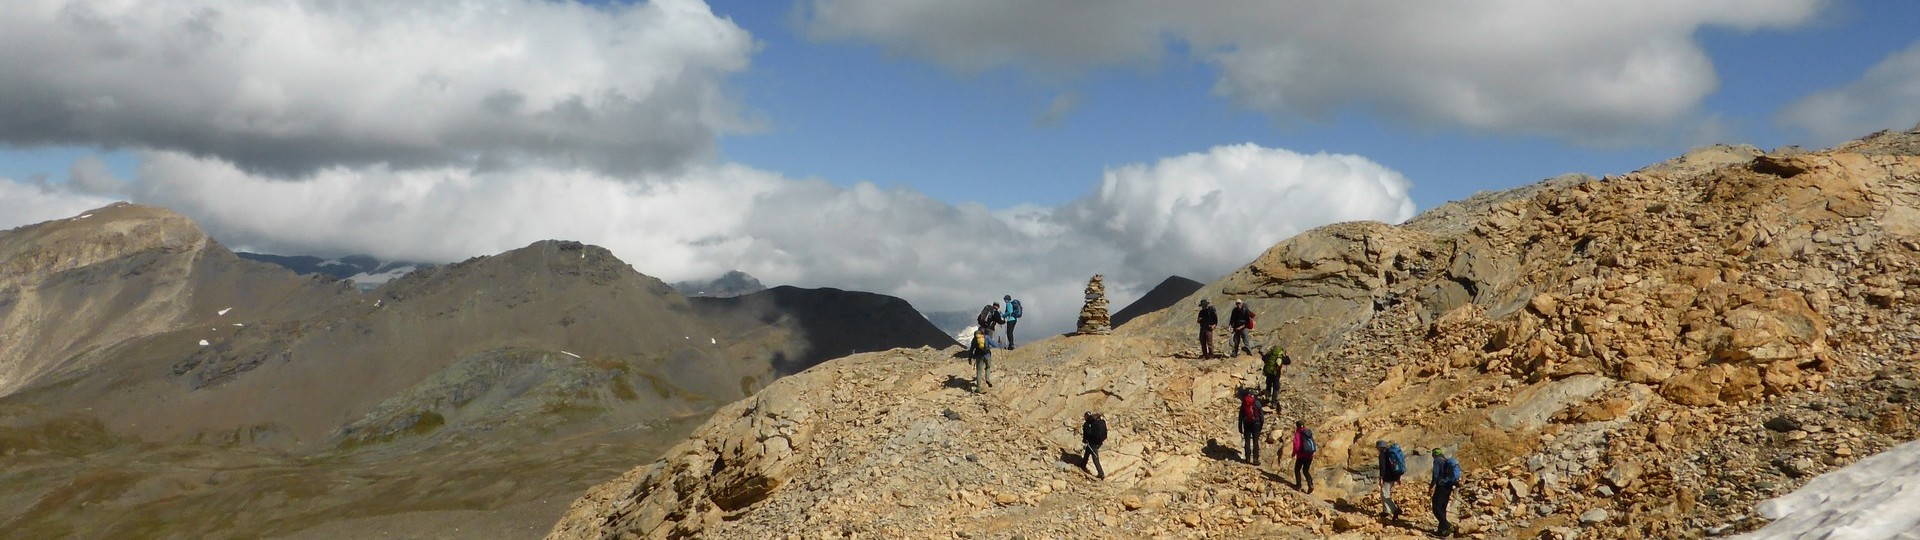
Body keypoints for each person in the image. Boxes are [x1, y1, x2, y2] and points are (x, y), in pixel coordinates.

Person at [1430, 448, 1461, 537]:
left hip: (1441, 486)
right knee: (1442, 507)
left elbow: (1435, 475)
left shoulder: (1437, 461)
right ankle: (1441, 531)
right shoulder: (1446, 460)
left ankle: (1448, 526)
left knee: (1436, 508)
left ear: (1434, 454)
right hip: (1449, 486)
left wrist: (1431, 486)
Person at [1377, 440, 1406, 520]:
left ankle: (1394, 510)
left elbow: (1382, 467)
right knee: (1385, 493)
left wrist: (1381, 478)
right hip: (1394, 476)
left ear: (1379, 447)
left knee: (1385, 494)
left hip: (1387, 478)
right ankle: (1386, 511)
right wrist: (1398, 477)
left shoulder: (1382, 455)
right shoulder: (1390, 454)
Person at [1237, 389, 1264, 465]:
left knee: (1247, 441)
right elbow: (1261, 416)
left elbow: (1241, 415)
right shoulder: (1257, 403)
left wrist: (1240, 427)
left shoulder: (1244, 403)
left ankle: (1247, 458)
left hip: (1246, 423)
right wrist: (1261, 426)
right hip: (1256, 423)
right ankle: (1255, 459)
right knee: (1255, 441)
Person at [1290, 420, 1316, 493]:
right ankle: (1310, 484)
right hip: (1310, 455)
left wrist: (1294, 453)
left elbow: (1296, 446)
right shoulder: (1308, 432)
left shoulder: (1298, 433)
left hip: (1301, 455)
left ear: (1297, 426)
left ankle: (1298, 486)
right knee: (1306, 470)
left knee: (1297, 469)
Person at [1082, 411, 1108, 479]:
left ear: (1086, 417)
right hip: (1099, 442)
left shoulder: (1087, 424)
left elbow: (1088, 433)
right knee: (1087, 451)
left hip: (1093, 443)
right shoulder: (1099, 421)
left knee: (1095, 458)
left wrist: (1085, 440)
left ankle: (1101, 473)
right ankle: (1083, 464)